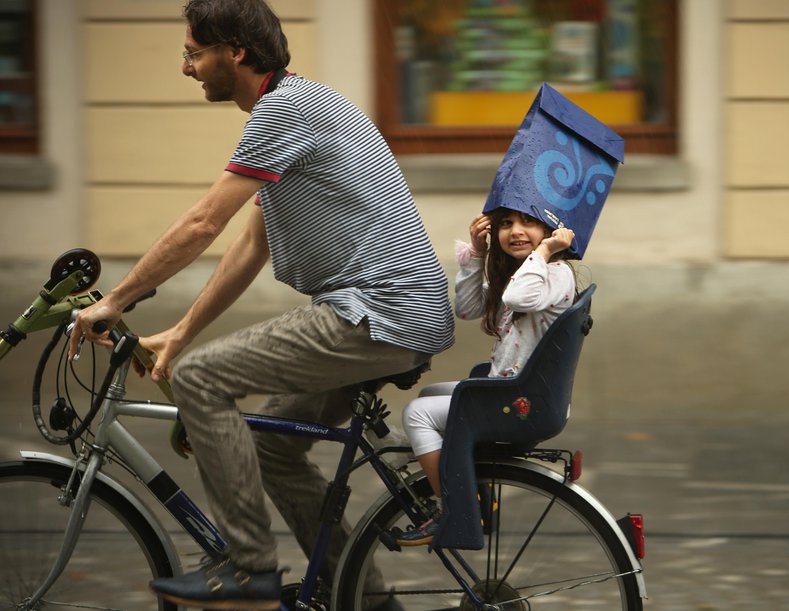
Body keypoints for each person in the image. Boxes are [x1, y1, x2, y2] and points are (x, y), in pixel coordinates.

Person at [67, 0, 454, 609]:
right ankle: (366, 599)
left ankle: (249, 569)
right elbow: (249, 247)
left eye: (194, 53)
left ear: (235, 52)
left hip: (376, 312)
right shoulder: (294, 109)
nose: (186, 68)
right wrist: (182, 330)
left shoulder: (287, 109)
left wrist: (114, 301)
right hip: (387, 312)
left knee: (199, 380)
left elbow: (202, 224)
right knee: (273, 446)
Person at [396, 207, 576, 546]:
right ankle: (472, 487)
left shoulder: (555, 272)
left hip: (522, 403)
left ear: (553, 229)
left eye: (528, 222)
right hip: (513, 391)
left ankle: (453, 510)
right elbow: (466, 309)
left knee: (416, 415)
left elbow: (518, 297)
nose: (515, 231)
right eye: (506, 224)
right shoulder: (526, 272)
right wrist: (477, 255)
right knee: (429, 395)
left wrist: (546, 250)